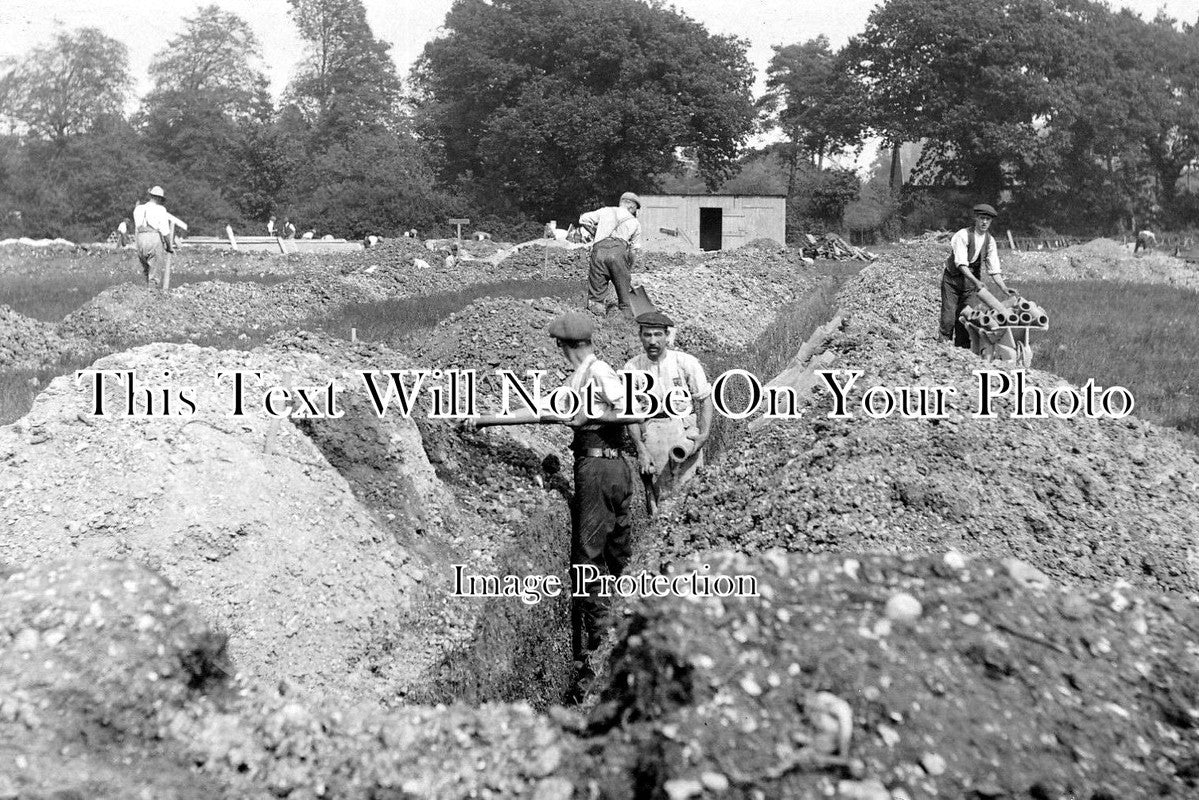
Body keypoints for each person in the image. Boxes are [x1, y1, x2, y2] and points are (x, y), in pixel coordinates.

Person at [460, 311, 639, 701]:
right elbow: (541, 410)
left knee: (589, 560)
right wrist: (487, 420)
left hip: (598, 467)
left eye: (559, 347)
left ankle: (599, 658)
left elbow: (630, 406)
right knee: (618, 555)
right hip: (609, 467)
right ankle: (628, 635)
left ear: (565, 346)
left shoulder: (599, 373)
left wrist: (589, 415)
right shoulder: (578, 379)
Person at [622, 310, 713, 509]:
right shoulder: (632, 368)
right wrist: (640, 448)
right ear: (640, 336)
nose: (652, 341)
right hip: (653, 433)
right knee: (662, 499)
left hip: (683, 431)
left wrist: (704, 434)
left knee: (693, 494)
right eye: (647, 335)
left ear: (667, 336)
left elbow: (705, 399)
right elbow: (630, 414)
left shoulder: (685, 362)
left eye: (657, 335)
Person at [940, 203, 1014, 348]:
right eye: (982, 218)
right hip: (952, 281)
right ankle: (943, 348)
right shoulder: (963, 235)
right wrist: (976, 282)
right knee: (949, 317)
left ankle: (961, 350)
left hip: (969, 285)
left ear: (991, 221)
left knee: (965, 318)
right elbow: (961, 264)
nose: (984, 222)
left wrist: (1004, 288)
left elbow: (994, 269)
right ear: (976, 218)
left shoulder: (989, 240)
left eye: (987, 219)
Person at [579, 192, 642, 316]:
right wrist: (629, 268)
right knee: (624, 297)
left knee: (596, 297)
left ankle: (596, 322)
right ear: (632, 207)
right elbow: (634, 251)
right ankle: (625, 323)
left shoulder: (605, 211)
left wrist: (595, 233)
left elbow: (583, 219)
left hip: (598, 253)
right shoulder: (635, 223)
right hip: (619, 254)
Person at [132, 185, 174, 290]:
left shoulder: (138, 209)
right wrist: (169, 247)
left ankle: (146, 294)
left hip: (140, 239)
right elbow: (165, 232)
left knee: (146, 271)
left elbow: (137, 227)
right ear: (159, 198)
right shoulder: (161, 209)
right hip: (154, 238)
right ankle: (152, 297)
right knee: (154, 273)